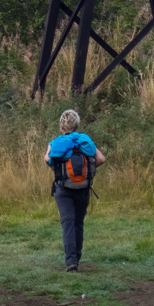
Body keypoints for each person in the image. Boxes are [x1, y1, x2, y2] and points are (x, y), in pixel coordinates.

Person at [45, 109, 106, 272]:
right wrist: (89, 171)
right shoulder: (85, 141)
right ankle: (77, 258)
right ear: (77, 124)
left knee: (67, 222)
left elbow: (47, 159)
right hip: (83, 188)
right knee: (78, 222)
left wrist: (58, 171)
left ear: (61, 126)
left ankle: (71, 262)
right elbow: (101, 159)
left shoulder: (55, 143)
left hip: (63, 188)